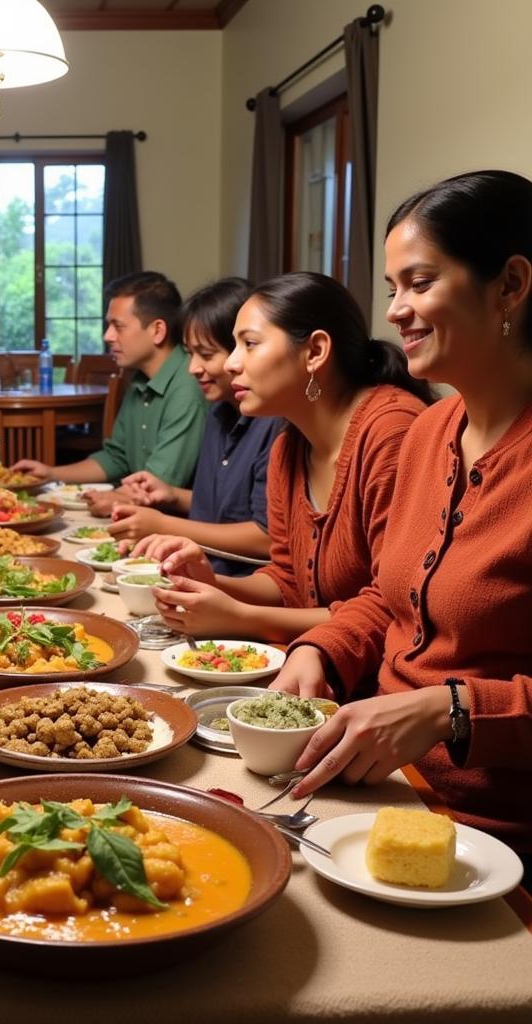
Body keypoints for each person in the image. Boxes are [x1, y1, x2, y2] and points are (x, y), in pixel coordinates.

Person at [270, 171, 532, 876]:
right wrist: (320, 651)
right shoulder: (432, 430)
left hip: (494, 835)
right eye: (392, 289)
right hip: (383, 788)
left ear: (510, 284)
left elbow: (455, 696)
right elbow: (389, 600)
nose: (396, 311)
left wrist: (451, 709)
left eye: (418, 283)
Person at [142, 272, 435, 643]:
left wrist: (242, 618)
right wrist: (211, 582)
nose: (231, 363)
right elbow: (288, 579)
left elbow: (393, 609)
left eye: (249, 344)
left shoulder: (390, 433)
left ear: (315, 352)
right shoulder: (289, 446)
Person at [106, 278, 282, 576]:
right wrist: (173, 495)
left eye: (207, 354)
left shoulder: (275, 423)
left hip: (240, 586)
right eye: (189, 353)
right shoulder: (218, 413)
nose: (192, 368)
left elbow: (267, 536)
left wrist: (162, 524)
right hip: (200, 572)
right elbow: (220, 511)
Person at [11, 271, 207, 516]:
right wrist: (51, 473)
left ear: (157, 331)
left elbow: (159, 483)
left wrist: (115, 498)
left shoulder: (188, 386)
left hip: (174, 526)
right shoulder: (140, 380)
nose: (107, 336)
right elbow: (116, 457)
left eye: (118, 326)